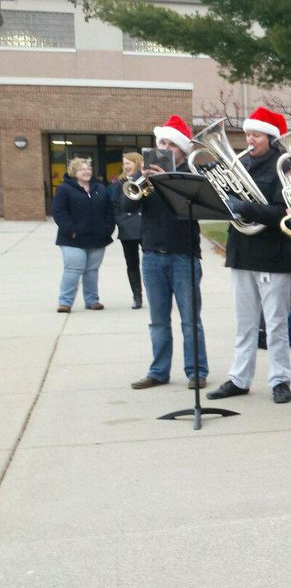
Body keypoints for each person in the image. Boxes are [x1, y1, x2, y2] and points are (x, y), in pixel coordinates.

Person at [207, 107, 291, 405]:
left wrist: (246, 207)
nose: (249, 139)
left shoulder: (284, 166)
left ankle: (280, 379)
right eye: (247, 134)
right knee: (245, 322)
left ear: (270, 137)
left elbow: (286, 214)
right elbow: (228, 205)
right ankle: (239, 378)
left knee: (275, 323)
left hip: (273, 253)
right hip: (243, 251)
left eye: (256, 134)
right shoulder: (239, 163)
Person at [130, 114, 209, 390]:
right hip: (152, 254)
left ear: (182, 149)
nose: (164, 148)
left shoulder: (191, 175)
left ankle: (196, 371)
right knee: (158, 321)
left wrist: (166, 181)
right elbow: (126, 207)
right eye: (160, 143)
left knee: (190, 320)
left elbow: (189, 208)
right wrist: (139, 179)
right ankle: (158, 371)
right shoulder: (145, 177)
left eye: (170, 144)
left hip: (183, 255)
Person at [52, 156, 115, 313]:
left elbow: (109, 211)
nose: (86, 172)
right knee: (73, 269)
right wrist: (71, 230)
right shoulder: (64, 189)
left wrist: (108, 228)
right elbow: (59, 213)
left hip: (97, 238)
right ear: (74, 172)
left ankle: (92, 300)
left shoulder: (100, 188)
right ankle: (65, 302)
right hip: (72, 238)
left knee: (92, 270)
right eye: (82, 169)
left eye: (88, 169)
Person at [112, 152, 145, 309]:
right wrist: (121, 222)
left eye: (129, 163)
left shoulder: (145, 179)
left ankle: (154, 293)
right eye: (124, 163)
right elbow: (116, 205)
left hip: (145, 228)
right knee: (132, 264)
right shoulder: (119, 183)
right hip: (128, 229)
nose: (126, 166)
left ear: (137, 163)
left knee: (151, 262)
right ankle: (137, 296)